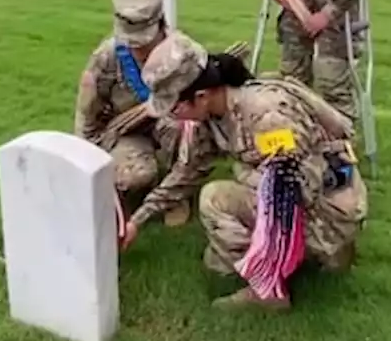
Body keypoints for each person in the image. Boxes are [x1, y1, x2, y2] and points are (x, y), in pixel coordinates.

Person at [121, 33, 368, 310]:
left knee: (215, 198)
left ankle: (271, 290)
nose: (170, 117)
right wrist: (136, 221)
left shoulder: (266, 116)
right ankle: (321, 256)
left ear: (200, 97)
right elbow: (186, 173)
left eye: (173, 107)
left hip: (323, 207)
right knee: (216, 262)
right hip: (310, 196)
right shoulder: (213, 115)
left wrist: (246, 175)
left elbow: (294, 190)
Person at [74, 0, 205, 224]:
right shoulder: (106, 58)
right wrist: (87, 164)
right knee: (133, 177)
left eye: (144, 41)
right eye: (131, 43)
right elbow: (88, 117)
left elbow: (202, 106)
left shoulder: (183, 52)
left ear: (160, 24)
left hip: (172, 121)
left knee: (185, 128)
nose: (139, 49)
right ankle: (149, 181)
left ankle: (178, 192)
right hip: (128, 131)